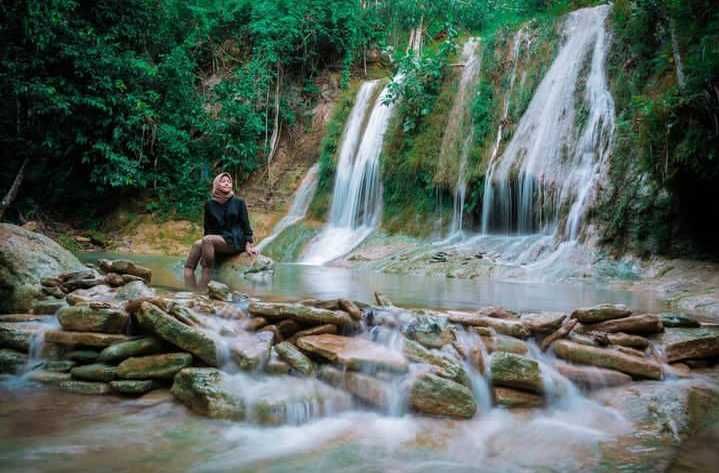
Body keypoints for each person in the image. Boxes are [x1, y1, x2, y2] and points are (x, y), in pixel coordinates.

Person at [184, 172, 257, 290]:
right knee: (197, 244)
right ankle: (189, 289)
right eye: (223, 181)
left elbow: (246, 224)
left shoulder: (239, 202)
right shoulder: (209, 204)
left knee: (207, 240)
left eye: (229, 182)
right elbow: (208, 228)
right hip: (218, 239)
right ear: (217, 184)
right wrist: (205, 249)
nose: (227, 183)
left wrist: (249, 244)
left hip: (234, 240)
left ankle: (204, 287)